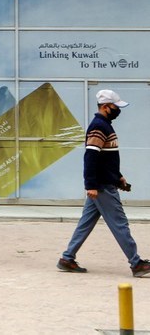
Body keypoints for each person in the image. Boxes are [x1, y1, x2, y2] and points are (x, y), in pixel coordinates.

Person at [57, 89, 150, 277]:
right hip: (102, 187)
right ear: (106, 107)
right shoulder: (99, 126)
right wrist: (90, 185)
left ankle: (67, 258)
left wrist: (118, 176)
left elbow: (106, 158)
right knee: (120, 224)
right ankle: (136, 264)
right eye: (116, 107)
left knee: (86, 223)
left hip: (103, 183)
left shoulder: (104, 125)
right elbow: (91, 157)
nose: (118, 110)